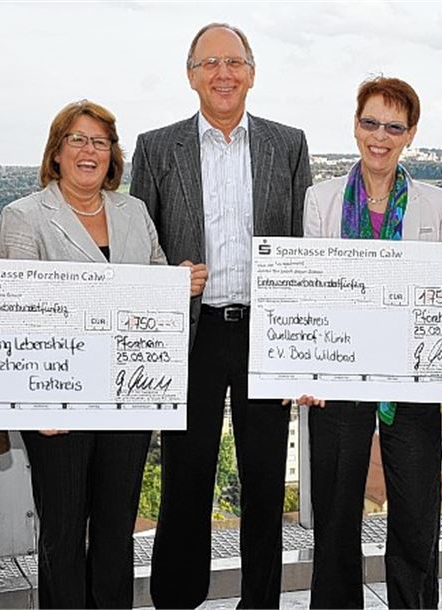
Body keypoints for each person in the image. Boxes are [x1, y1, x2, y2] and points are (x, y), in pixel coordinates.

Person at [0, 99, 206, 609]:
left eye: (100, 142)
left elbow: (154, 281)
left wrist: (179, 282)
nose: (90, 151)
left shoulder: (132, 211)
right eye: (78, 140)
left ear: (113, 154)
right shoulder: (24, 217)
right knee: (63, 536)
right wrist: (33, 402)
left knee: (116, 532)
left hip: (126, 400)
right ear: (57, 152)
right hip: (57, 408)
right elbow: (18, 318)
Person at [129, 22, 312, 608]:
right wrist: (169, 280)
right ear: (190, 76)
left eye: (234, 62)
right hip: (192, 332)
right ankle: (178, 598)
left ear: (252, 74)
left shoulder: (289, 144)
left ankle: (260, 601)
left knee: (263, 480)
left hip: (265, 331)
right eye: (210, 64)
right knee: (186, 476)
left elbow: (303, 247)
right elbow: (139, 246)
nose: (223, 73)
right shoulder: (157, 148)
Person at [298, 77, 442, 609]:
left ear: (411, 135)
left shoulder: (436, 204)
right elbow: (307, 292)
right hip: (338, 381)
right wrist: (304, 370)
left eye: (394, 126)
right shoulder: (320, 201)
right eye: (371, 122)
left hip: (411, 384)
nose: (380, 136)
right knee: (335, 517)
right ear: (355, 126)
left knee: (417, 518)